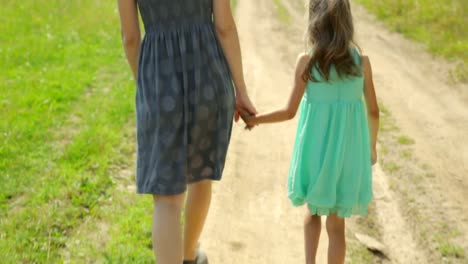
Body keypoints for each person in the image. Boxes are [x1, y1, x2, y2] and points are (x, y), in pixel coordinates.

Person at [118, 0, 256, 263]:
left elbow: (130, 38)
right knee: (201, 175)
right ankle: (189, 255)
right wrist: (241, 90)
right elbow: (224, 26)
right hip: (208, 77)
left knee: (168, 200)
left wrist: (148, 85)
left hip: (160, 80)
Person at [243, 0, 379, 263]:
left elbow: (288, 111)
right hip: (347, 156)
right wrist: (370, 148)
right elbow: (373, 111)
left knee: (313, 214)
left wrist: (256, 119)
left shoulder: (307, 61)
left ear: (313, 23)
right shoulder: (362, 63)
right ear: (348, 21)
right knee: (337, 226)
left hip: (315, 152)